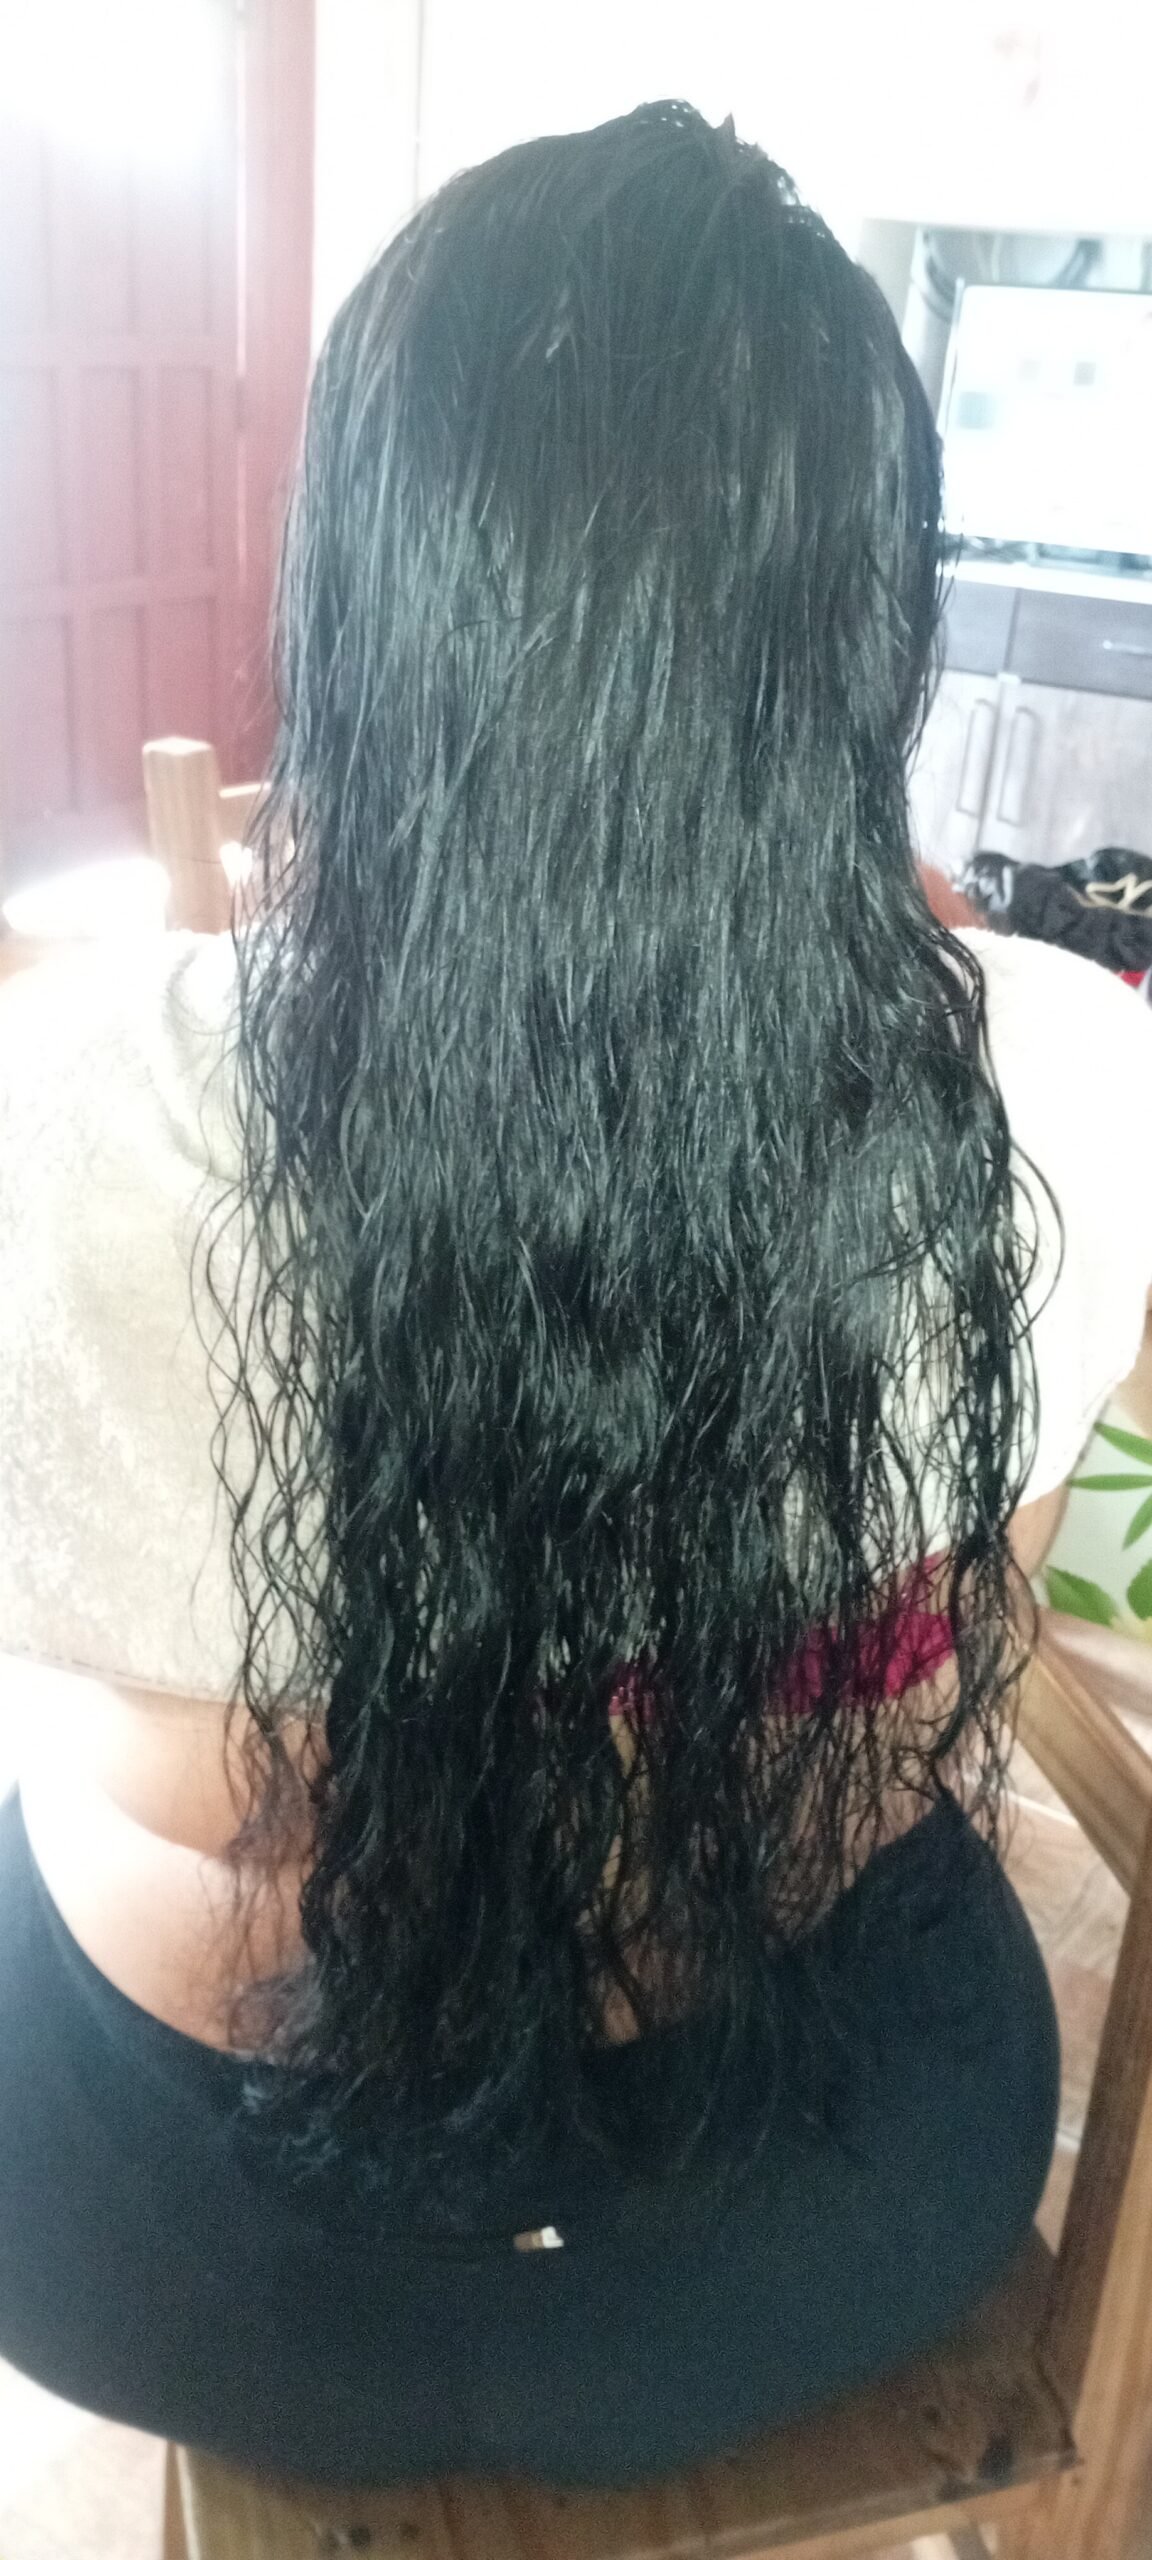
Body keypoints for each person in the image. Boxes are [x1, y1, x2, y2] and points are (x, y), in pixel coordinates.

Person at [1, 101, 1151, 2493]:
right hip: (808, 2210)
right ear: (862, 624)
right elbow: (983, 1612)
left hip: (168, 2242)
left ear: (373, 584)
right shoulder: (1069, 1083)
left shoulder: (67, 1112)